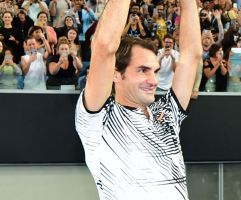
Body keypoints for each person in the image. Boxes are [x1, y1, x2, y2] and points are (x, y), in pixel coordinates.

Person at [75, 0, 201, 199]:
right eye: (143, 70)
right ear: (116, 74)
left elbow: (192, 55)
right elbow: (105, 45)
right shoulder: (98, 119)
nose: (153, 81)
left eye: (155, 71)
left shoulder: (167, 113)